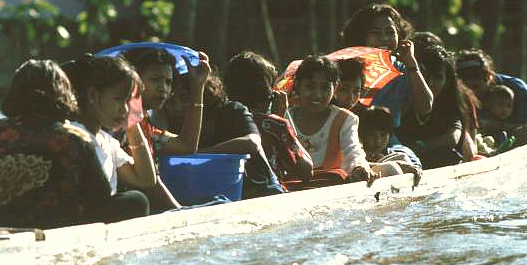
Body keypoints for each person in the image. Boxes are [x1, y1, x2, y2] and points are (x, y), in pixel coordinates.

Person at [0, 60, 137, 228]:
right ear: (63, 95)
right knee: (137, 200)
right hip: (53, 225)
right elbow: (102, 200)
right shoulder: (74, 139)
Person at [64, 54, 160, 212]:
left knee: (138, 199)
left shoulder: (107, 141)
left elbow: (146, 179)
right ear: (92, 96)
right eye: (118, 99)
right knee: (137, 201)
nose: (125, 109)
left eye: (128, 101)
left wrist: (132, 124)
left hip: (103, 218)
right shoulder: (73, 135)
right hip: (81, 217)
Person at [224, 51, 312, 186]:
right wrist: (281, 119)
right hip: (268, 193)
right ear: (266, 92)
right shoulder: (274, 126)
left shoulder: (222, 120)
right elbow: (306, 171)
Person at [285, 55, 375, 185]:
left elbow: (352, 151)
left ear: (335, 87)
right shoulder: (284, 116)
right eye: (310, 86)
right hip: (289, 188)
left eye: (325, 88)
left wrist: (359, 167)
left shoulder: (344, 120)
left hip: (331, 188)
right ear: (298, 86)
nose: (317, 95)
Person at [340, 4, 433, 127]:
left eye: (390, 32)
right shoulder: (346, 67)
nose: (384, 38)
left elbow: (425, 107)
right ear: (361, 36)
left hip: (387, 137)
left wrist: (412, 64)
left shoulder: (403, 68)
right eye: (376, 33)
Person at [123, 47, 210, 156]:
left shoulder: (147, 128)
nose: (163, 88)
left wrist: (198, 86)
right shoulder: (118, 123)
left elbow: (186, 146)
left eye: (168, 82)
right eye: (155, 79)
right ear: (133, 80)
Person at [396, 45, 472, 168]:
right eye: (426, 76)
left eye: (438, 77)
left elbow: (453, 137)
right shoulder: (401, 96)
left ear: (447, 81)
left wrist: (422, 146)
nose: (431, 83)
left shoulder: (449, 104)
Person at [455, 49, 527, 145]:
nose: (471, 94)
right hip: (479, 141)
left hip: (513, 140)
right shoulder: (456, 92)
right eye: (466, 90)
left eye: (476, 87)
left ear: (488, 77)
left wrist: (496, 126)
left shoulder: (517, 87)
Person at [358, 106, 422, 182]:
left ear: (390, 134)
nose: (378, 140)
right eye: (371, 135)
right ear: (362, 135)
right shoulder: (356, 155)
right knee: (390, 168)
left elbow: (416, 168)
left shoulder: (399, 152)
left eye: (383, 135)